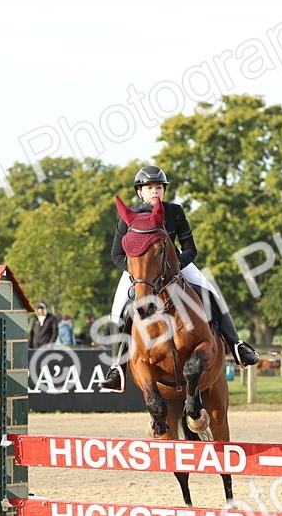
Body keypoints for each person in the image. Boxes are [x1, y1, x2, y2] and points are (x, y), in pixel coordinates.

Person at [99, 165, 258, 392]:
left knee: (211, 292)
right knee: (119, 309)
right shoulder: (129, 217)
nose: (155, 191)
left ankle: (237, 345)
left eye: (159, 187)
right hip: (138, 273)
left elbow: (190, 249)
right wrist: (139, 272)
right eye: (149, 187)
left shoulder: (174, 212)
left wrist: (174, 268)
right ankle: (116, 368)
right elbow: (116, 255)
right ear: (140, 192)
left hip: (174, 268)